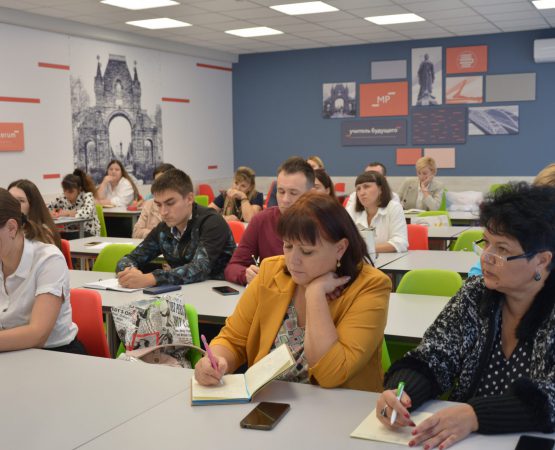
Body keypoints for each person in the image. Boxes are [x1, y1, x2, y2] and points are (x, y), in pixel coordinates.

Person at [376, 182, 555, 448]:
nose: (486, 257)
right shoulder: (475, 294)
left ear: (541, 260)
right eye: (486, 243)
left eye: (502, 250)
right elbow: (434, 355)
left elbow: (551, 397)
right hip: (463, 438)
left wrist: (476, 415)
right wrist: (402, 393)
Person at [195, 192, 391, 391]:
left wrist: (315, 295)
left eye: (307, 251)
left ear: (340, 248)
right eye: (287, 246)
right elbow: (233, 338)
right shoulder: (272, 270)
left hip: (339, 405)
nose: (293, 260)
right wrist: (217, 360)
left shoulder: (370, 286)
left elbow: (332, 374)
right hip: (269, 400)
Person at [116, 169, 236, 288]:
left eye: (170, 203)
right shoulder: (163, 229)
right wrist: (129, 273)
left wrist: (151, 278)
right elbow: (130, 258)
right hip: (182, 292)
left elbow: (200, 268)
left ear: (189, 199)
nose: (163, 212)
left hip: (219, 292)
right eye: (158, 205)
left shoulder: (212, 222)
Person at [0, 188, 84, 354]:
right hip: (10, 353)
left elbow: (37, 334)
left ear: (11, 228)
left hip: (56, 355)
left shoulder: (49, 260)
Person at [224, 157, 315, 286]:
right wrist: (246, 274)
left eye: (293, 193)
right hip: (272, 293)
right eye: (281, 191)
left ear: (311, 194)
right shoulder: (262, 220)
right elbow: (233, 267)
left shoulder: (325, 224)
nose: (285, 200)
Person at [347, 171, 408, 253]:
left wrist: (365, 249)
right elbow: (344, 240)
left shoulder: (393, 207)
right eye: (358, 189)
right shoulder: (351, 210)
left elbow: (400, 242)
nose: (361, 193)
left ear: (380, 189)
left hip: (389, 259)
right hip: (360, 259)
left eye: (366, 187)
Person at [8, 179, 62, 250]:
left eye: (21, 201)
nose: (13, 204)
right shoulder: (7, 228)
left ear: (32, 205)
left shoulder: (43, 234)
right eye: (10, 199)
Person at [48, 169, 100, 237]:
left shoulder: (87, 196)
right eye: (64, 191)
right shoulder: (62, 198)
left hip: (89, 233)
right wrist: (52, 213)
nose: (67, 195)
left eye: (71, 192)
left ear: (79, 189)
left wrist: (67, 213)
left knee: (61, 237)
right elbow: (46, 209)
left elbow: (86, 213)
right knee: (54, 236)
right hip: (70, 233)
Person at [132, 163, 175, 239]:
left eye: (162, 181)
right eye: (156, 182)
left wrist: (149, 233)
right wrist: (157, 234)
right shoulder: (149, 204)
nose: (159, 185)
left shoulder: (179, 205)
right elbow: (136, 233)